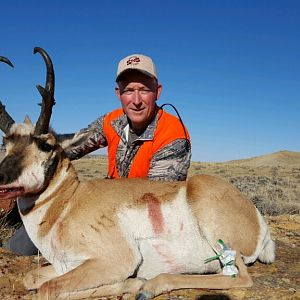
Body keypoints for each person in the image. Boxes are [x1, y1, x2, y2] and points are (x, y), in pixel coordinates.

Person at [6, 53, 191, 255]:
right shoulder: (112, 121)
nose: (136, 100)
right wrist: (37, 142)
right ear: (118, 93)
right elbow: (72, 146)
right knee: (19, 247)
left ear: (158, 91)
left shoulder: (173, 134)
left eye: (144, 90)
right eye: (128, 90)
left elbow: (158, 199)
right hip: (105, 203)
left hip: (141, 220)